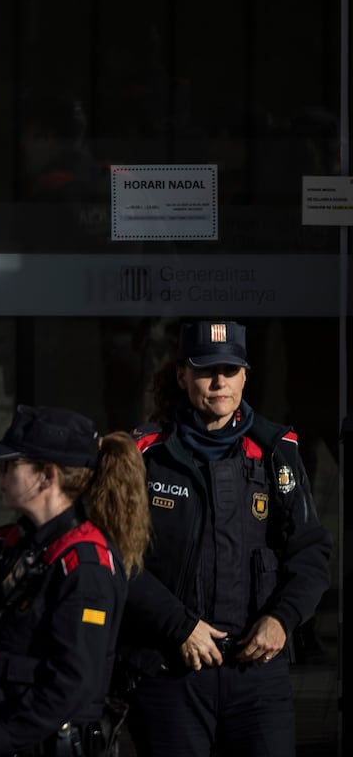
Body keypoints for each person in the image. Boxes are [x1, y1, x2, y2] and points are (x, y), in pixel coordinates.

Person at [122, 320, 332, 757]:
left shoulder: (278, 452)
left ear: (245, 376)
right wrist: (178, 626)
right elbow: (116, 558)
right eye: (205, 369)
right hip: (170, 673)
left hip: (257, 676)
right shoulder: (144, 456)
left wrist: (282, 620)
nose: (219, 381)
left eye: (230, 370)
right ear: (182, 375)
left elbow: (311, 553)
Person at [0, 405, 150, 757]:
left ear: (47, 476)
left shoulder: (85, 565)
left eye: (11, 464)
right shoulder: (16, 546)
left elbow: (73, 683)